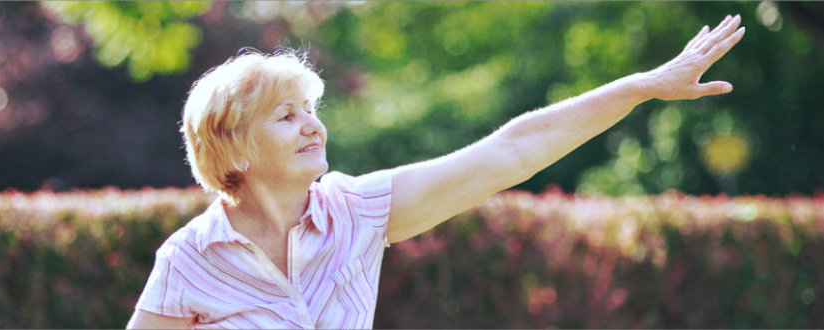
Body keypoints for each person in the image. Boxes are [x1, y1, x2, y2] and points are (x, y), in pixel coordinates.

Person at [127, 14, 748, 329]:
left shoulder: (357, 213)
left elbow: (513, 150)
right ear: (233, 147)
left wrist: (641, 88)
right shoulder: (189, 260)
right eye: (286, 116)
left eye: (312, 110)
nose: (313, 126)